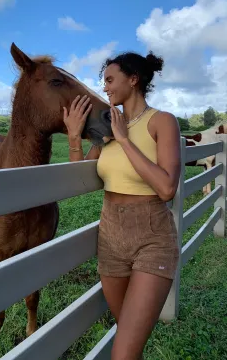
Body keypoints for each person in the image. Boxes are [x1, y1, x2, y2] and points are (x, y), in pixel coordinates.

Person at [63, 51, 181, 360]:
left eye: (110, 80)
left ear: (133, 79)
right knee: (130, 344)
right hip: (111, 238)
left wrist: (125, 141)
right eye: (104, 82)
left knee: (123, 353)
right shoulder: (106, 129)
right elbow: (80, 181)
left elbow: (167, 188)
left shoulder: (162, 122)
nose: (105, 88)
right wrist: (75, 136)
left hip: (152, 237)